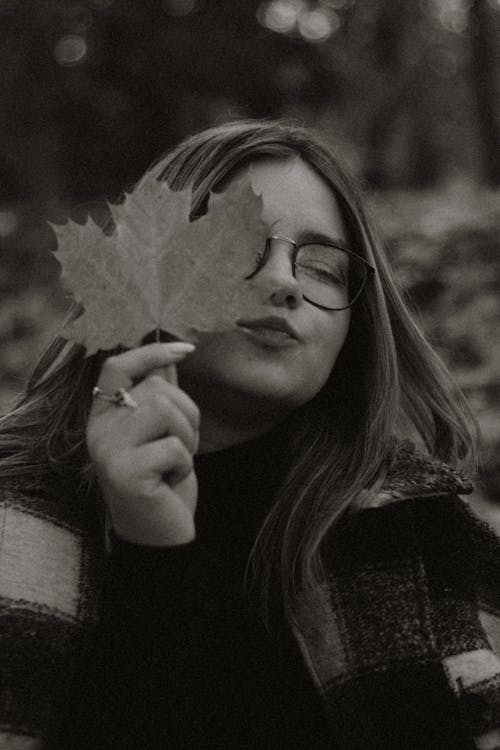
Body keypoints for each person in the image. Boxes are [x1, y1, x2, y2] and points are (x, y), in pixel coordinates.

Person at [0, 120, 499, 750]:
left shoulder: (422, 534)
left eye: (321, 267)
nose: (286, 282)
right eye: (237, 248)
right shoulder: (14, 517)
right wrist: (152, 553)